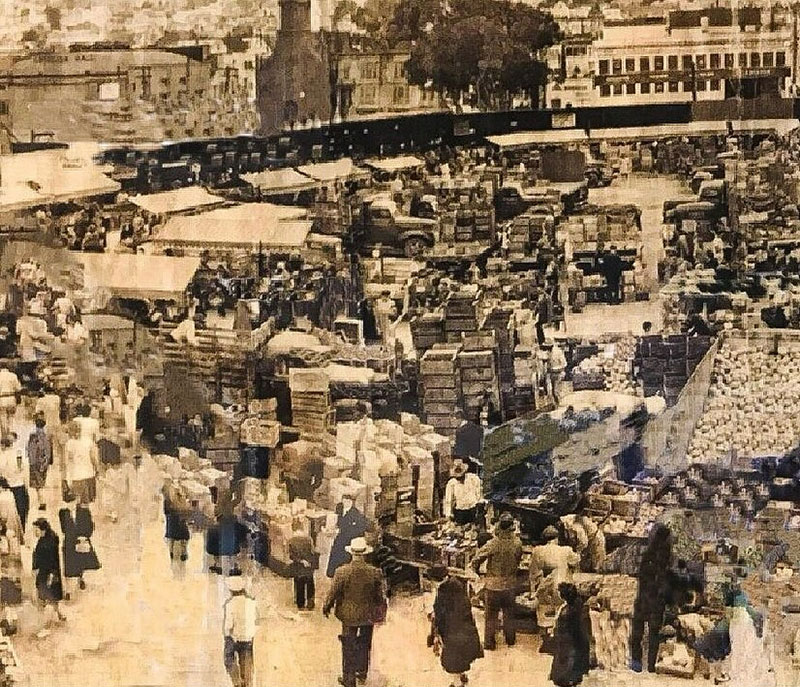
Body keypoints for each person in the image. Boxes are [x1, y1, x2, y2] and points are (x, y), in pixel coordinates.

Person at [323, 537, 387, 687]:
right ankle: (362, 672)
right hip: (368, 614)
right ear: (365, 554)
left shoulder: (342, 572)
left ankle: (349, 679)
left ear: (351, 553)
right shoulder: (375, 572)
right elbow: (379, 596)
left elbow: (333, 593)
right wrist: (380, 610)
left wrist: (327, 606)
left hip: (348, 614)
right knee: (365, 642)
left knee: (348, 644)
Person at [471, 512, 523, 650]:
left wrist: (479, 573)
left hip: (493, 585)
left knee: (491, 616)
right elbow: (518, 559)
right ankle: (510, 640)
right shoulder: (517, 543)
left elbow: (476, 559)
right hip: (510, 584)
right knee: (509, 614)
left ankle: (489, 643)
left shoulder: (493, 543)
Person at [426, 564, 483, 687]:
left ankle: (458, 684)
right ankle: (461, 676)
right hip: (466, 630)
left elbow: (442, 616)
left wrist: (436, 632)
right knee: (461, 657)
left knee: (452, 662)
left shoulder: (444, 592)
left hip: (452, 634)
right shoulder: (456, 586)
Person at [630, 523, 673, 673]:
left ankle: (636, 661)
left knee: (637, 631)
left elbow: (641, 577)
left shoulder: (647, 556)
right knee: (654, 633)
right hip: (657, 601)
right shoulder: (667, 561)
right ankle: (651, 665)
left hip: (643, 598)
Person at [529, 525, 580, 633]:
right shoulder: (566, 550)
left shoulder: (537, 551)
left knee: (543, 609)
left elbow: (533, 572)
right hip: (560, 587)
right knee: (560, 609)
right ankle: (557, 632)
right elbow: (576, 561)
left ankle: (544, 633)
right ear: (556, 538)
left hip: (544, 588)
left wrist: (533, 591)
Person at [549, 583, 591, 687]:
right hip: (575, 639)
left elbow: (565, 628)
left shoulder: (568, 611)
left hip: (569, 640)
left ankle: (566, 678)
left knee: (566, 659)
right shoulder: (577, 605)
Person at [223, 575, 258, 687]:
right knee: (246, 661)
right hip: (248, 637)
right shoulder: (251, 602)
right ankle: (247, 682)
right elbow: (256, 619)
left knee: (229, 658)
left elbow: (228, 625)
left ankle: (237, 681)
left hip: (235, 638)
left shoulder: (230, 604)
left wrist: (227, 635)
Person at [59, 502, 100, 596]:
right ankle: (69, 590)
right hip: (70, 542)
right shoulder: (63, 512)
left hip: (80, 540)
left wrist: (84, 536)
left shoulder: (84, 512)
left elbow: (90, 527)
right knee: (69, 567)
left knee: (80, 562)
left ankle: (80, 579)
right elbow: (64, 530)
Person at [32, 518, 66, 633]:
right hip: (49, 572)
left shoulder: (46, 543)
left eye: (36, 529)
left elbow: (49, 559)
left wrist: (50, 575)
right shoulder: (50, 538)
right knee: (52, 598)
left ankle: (45, 625)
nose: (34, 532)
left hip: (47, 573)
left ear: (42, 529)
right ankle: (59, 615)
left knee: (44, 598)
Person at [326, 493, 368, 578]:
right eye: (344, 500)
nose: (346, 502)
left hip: (349, 540)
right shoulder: (339, 509)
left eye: (348, 501)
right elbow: (335, 521)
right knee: (336, 558)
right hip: (339, 539)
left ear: (351, 502)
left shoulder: (356, 514)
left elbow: (360, 530)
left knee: (345, 560)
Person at [63, 423, 98, 506]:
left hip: (76, 476)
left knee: (78, 502)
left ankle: (80, 517)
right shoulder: (88, 442)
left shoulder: (69, 444)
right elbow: (93, 458)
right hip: (89, 475)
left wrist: (68, 478)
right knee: (87, 503)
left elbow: (68, 462)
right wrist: (96, 469)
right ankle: (85, 517)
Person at [0, 434, 28, 534]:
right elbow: (22, 467)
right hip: (19, 485)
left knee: (7, 512)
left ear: (3, 445)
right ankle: (21, 531)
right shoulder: (18, 452)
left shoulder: (3, 456)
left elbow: (1, 470)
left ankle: (8, 531)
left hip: (7, 486)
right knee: (21, 510)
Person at [288, 519, 317, 611]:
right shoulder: (309, 539)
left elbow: (291, 556)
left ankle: (300, 604)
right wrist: (309, 562)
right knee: (310, 585)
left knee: (299, 585)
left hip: (298, 567)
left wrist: (300, 560)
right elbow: (313, 552)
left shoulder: (292, 540)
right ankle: (310, 603)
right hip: (309, 567)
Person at [162, 478, 191, 571]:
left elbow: (166, 511)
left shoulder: (167, 499)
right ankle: (183, 552)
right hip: (180, 520)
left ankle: (172, 553)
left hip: (172, 519)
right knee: (184, 537)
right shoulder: (181, 499)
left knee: (172, 537)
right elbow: (186, 509)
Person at [443, 459, 482, 525]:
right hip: (460, 512)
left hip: (473, 509)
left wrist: (479, 503)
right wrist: (449, 514)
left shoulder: (473, 478)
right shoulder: (451, 483)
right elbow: (448, 500)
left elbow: (479, 492)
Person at [27, 414, 53, 511]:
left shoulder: (34, 437)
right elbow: (48, 452)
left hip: (36, 463)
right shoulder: (46, 437)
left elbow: (32, 451)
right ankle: (41, 501)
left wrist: (34, 463)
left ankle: (42, 502)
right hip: (41, 462)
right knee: (40, 483)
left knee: (39, 484)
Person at [0, 368, 20, 440]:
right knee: (11, 417)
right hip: (11, 397)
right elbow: (18, 389)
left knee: (2, 417)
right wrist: (18, 399)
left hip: (1, 398)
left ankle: (4, 435)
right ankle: (10, 434)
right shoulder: (13, 376)